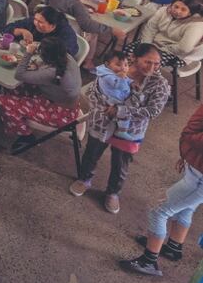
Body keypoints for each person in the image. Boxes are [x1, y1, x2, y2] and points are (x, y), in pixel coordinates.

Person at [71, 44, 170, 214]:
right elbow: (94, 91)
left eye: (157, 64)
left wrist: (120, 111)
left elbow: (152, 111)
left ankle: (113, 192)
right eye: (148, 62)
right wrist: (105, 108)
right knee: (92, 152)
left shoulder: (159, 84)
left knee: (121, 164)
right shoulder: (115, 69)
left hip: (130, 131)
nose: (152, 68)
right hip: (103, 122)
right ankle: (84, 179)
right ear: (134, 58)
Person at [120, 101, 203, 277]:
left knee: (159, 211)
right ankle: (173, 248)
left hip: (200, 177)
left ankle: (149, 261)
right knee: (185, 208)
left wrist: (189, 137)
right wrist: (187, 154)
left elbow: (194, 133)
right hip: (197, 168)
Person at [0, 38, 83, 153]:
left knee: (3, 101)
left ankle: (26, 136)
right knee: (14, 88)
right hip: (65, 104)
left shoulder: (52, 72)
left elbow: (19, 75)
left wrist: (28, 53)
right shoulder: (67, 58)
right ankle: (11, 116)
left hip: (58, 113)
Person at [44, 0, 126, 69]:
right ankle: (88, 62)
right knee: (94, 33)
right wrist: (111, 29)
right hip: (70, 31)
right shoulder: (76, 5)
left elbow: (46, 2)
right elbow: (87, 25)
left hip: (50, 24)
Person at [130, 0, 203, 68]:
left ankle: (138, 78)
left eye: (183, 9)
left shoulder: (196, 24)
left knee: (146, 63)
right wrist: (146, 45)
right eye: (176, 7)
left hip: (175, 53)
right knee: (129, 51)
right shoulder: (163, 11)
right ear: (171, 5)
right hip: (153, 43)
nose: (177, 11)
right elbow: (150, 28)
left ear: (189, 13)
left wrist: (158, 49)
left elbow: (184, 48)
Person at [4, 6, 79, 59]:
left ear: (52, 26)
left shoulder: (66, 34)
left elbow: (66, 55)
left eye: (40, 22)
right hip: (25, 56)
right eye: (35, 19)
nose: (36, 23)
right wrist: (22, 31)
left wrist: (42, 47)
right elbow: (6, 29)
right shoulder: (33, 21)